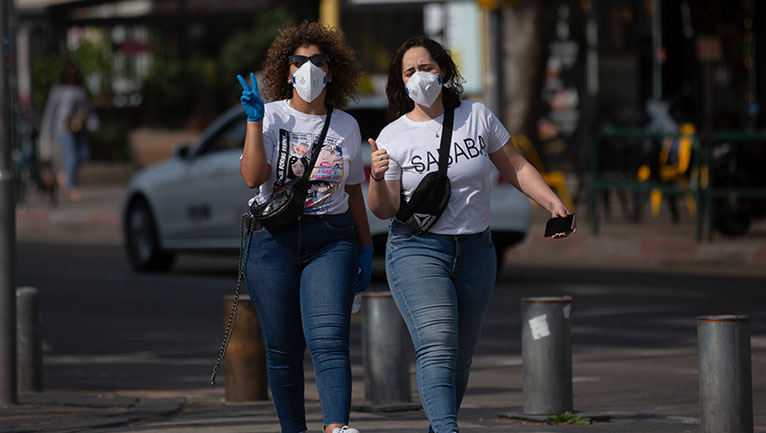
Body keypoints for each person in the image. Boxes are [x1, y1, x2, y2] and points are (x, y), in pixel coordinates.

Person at [366, 36, 575, 433]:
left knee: (460, 355)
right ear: (401, 82)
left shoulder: (476, 116)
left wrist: (552, 202)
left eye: (426, 67)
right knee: (438, 345)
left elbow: (515, 166)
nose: (419, 77)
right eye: (409, 72)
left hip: (477, 249)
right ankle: (447, 429)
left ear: (442, 70)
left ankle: (440, 427)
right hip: (418, 250)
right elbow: (385, 208)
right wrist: (377, 178)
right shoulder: (394, 136)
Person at [237, 21, 372, 433]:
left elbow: (352, 193)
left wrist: (365, 249)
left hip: (330, 240)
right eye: (300, 61)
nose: (309, 68)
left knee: (330, 342)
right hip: (272, 243)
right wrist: (255, 123)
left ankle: (336, 426)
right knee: (283, 351)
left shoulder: (347, 126)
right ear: (288, 69)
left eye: (318, 61)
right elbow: (251, 177)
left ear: (332, 70)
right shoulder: (273, 115)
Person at [39, 59, 98, 201]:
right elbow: (50, 111)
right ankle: (70, 187)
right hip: (63, 128)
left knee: (83, 154)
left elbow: (87, 109)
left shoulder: (80, 90)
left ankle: (63, 176)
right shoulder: (58, 90)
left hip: (78, 127)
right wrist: (46, 131)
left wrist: (93, 123)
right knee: (70, 157)